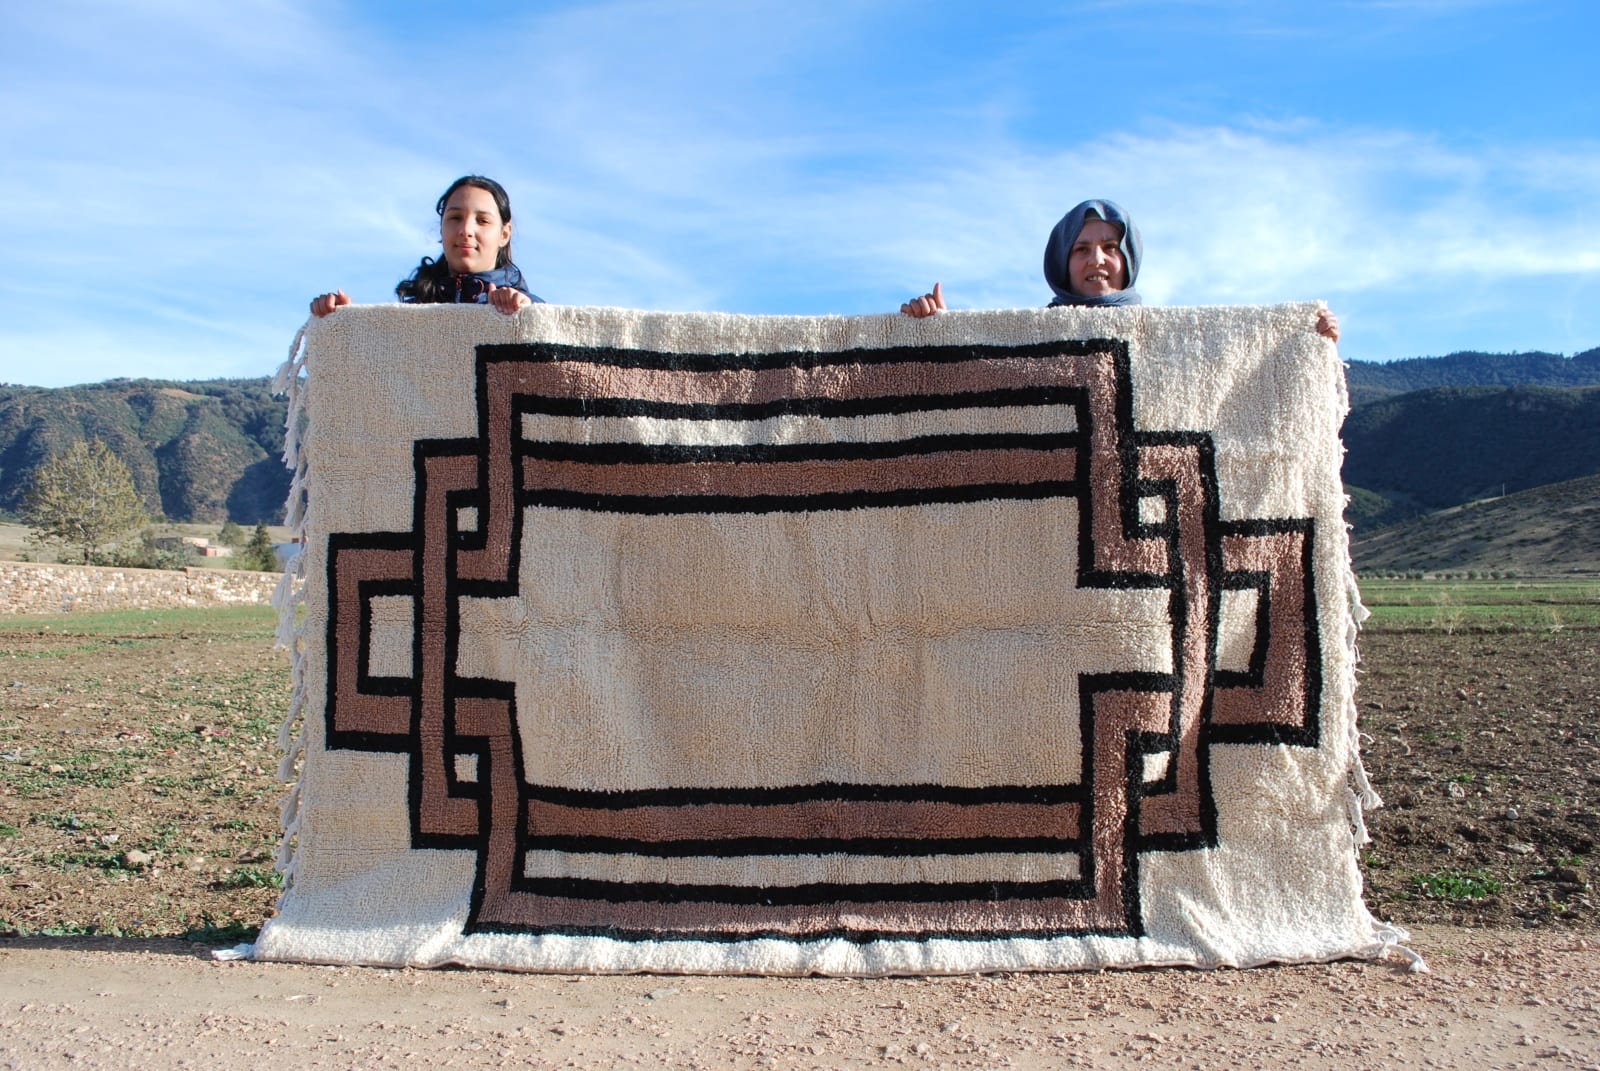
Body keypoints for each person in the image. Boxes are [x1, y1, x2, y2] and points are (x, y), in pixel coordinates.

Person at [900, 198, 1339, 341]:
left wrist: (1304, 342)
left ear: (1128, 259)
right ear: (1061, 262)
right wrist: (941, 333)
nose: (1097, 260)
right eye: (1081, 249)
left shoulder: (1171, 339)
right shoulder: (1032, 339)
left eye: (1110, 247)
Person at [309, 175, 543, 318]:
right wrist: (341, 321)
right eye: (455, 218)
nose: (466, 230)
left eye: (482, 221)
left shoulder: (532, 308)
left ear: (504, 234)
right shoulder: (408, 317)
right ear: (441, 229)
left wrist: (530, 314)